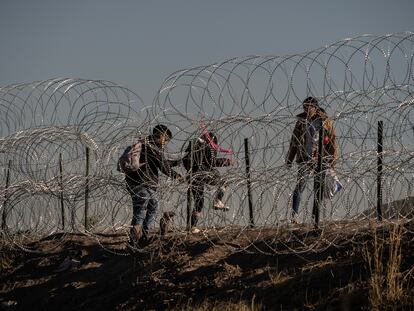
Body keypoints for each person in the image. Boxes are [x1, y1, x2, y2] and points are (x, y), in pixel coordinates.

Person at [124, 124, 183, 246]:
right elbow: (163, 166)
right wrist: (177, 176)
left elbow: (162, 163)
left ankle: (143, 235)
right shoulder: (153, 147)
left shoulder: (145, 144)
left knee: (153, 205)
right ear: (161, 135)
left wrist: (179, 161)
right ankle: (135, 241)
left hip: (137, 183)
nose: (165, 142)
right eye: (165, 139)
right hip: (142, 184)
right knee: (140, 211)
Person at [286, 97, 338, 225]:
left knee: (317, 188)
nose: (307, 109)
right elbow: (294, 141)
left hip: (320, 159)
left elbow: (332, 141)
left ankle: (315, 216)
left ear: (315, 107)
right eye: (305, 107)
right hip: (304, 158)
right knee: (299, 186)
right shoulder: (301, 122)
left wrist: (333, 160)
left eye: (309, 107)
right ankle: (294, 216)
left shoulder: (325, 122)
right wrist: (289, 159)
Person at [182, 131, 236, 233]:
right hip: (203, 173)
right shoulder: (207, 147)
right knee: (223, 181)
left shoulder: (194, 146)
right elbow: (211, 161)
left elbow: (184, 159)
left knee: (199, 201)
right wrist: (226, 162)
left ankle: (192, 227)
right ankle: (218, 201)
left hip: (193, 176)